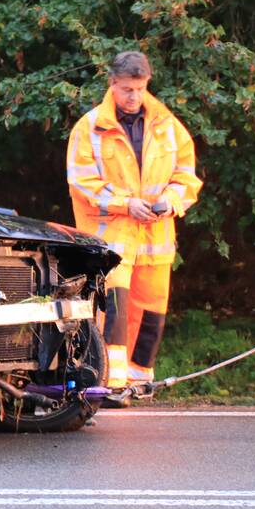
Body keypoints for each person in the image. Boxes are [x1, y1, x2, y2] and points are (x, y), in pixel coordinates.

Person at [66, 51, 203, 392]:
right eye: (127, 89)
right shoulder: (91, 127)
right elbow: (82, 183)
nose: (134, 96)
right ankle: (110, 385)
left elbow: (186, 176)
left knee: (152, 313)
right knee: (113, 312)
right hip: (112, 240)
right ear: (112, 83)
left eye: (140, 89)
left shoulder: (167, 126)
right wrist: (127, 205)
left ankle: (140, 382)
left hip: (155, 237)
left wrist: (171, 202)